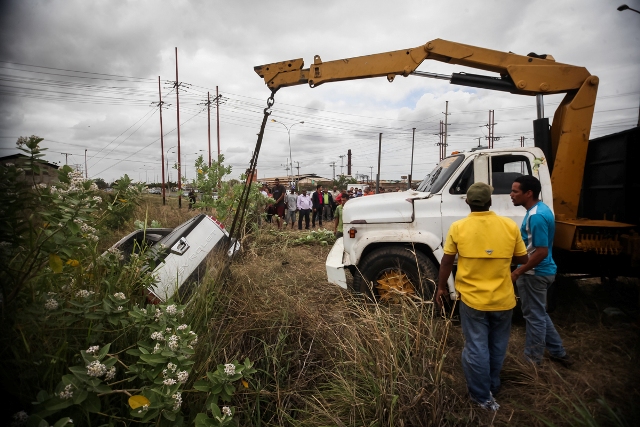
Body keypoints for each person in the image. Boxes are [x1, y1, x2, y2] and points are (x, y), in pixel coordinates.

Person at [436, 182, 528, 411]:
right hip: (504, 299)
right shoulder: (509, 226)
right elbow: (524, 259)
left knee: (477, 346)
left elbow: (447, 261)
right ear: (490, 201)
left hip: (472, 300)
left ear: (467, 202)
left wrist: (441, 288)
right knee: (497, 344)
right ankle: (492, 386)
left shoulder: (458, 227)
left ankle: (481, 396)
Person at [510, 175, 573, 367]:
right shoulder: (541, 209)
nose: (511, 195)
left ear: (528, 193)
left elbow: (541, 251)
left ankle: (532, 362)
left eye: (515, 191)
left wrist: (519, 272)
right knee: (539, 314)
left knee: (534, 318)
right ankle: (558, 352)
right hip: (541, 271)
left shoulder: (536, 216)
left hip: (533, 274)